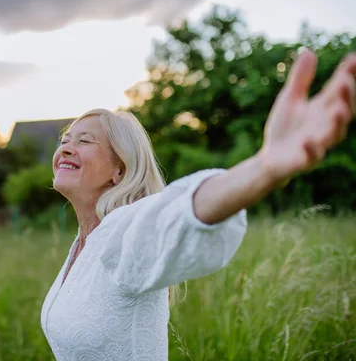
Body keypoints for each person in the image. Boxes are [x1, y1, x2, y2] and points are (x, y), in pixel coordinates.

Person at [40, 49, 356, 361]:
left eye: (84, 140)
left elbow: (181, 214)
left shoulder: (121, 234)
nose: (66, 148)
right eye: (65, 139)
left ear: (119, 170)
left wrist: (264, 166)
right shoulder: (82, 245)